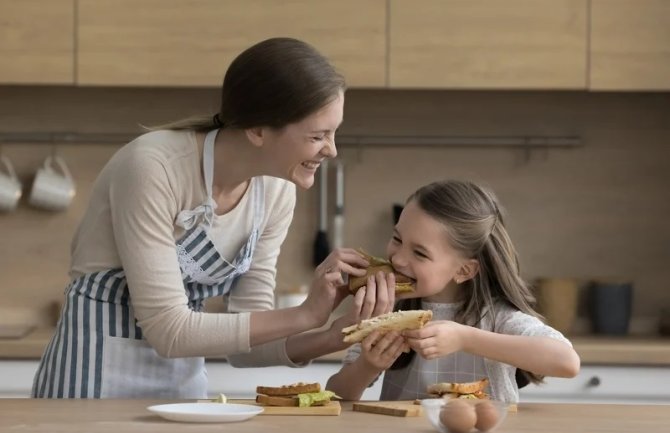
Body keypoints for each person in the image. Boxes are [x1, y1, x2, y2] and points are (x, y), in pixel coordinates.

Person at [32, 37, 396, 399]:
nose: (331, 150)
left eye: (333, 133)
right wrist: (305, 314)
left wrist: (336, 332)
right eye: (318, 135)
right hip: (91, 380)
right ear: (257, 130)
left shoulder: (276, 191)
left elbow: (246, 345)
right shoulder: (154, 167)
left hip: (180, 389)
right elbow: (169, 331)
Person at [326, 180, 581, 403]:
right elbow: (336, 395)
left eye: (420, 253)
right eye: (397, 239)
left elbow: (566, 362)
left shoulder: (496, 318)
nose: (399, 259)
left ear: (464, 271)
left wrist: (465, 338)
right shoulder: (387, 313)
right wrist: (368, 366)